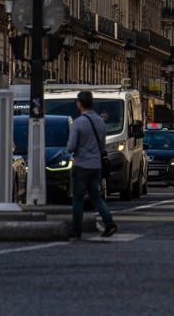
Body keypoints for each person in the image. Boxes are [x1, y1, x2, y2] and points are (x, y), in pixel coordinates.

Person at [66, 90, 117, 240]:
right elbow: (103, 146)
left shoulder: (78, 123)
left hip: (82, 164)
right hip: (96, 165)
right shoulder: (100, 122)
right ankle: (109, 223)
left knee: (78, 198)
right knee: (96, 196)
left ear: (79, 104)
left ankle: (76, 230)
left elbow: (71, 147)